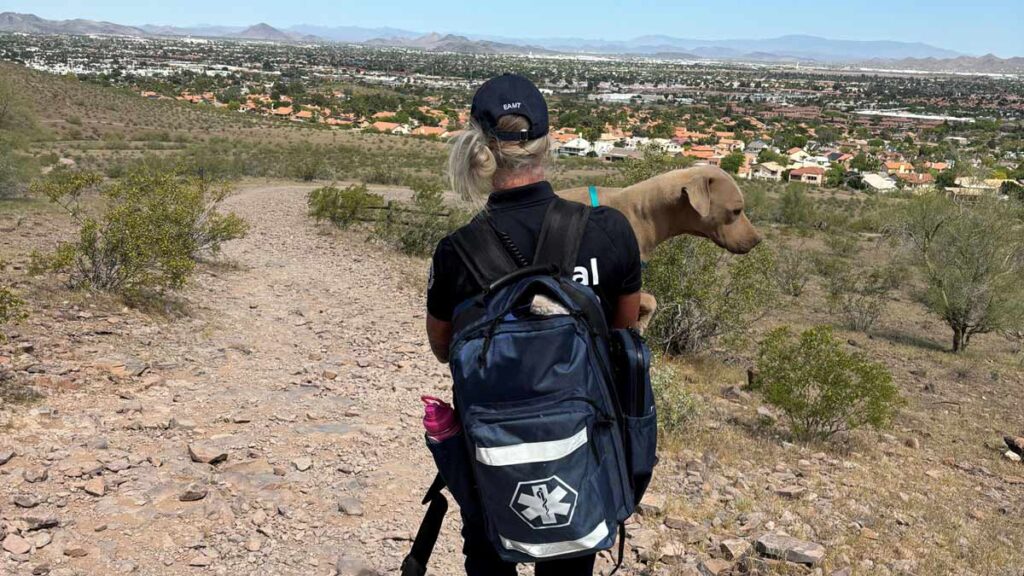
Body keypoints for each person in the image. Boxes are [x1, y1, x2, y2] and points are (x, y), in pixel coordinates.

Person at [424, 73, 643, 576]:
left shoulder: (457, 253)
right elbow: (622, 337)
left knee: (487, 549)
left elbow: (442, 347)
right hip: (579, 449)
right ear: (548, 140)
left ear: (477, 146)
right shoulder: (608, 231)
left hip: (491, 453)